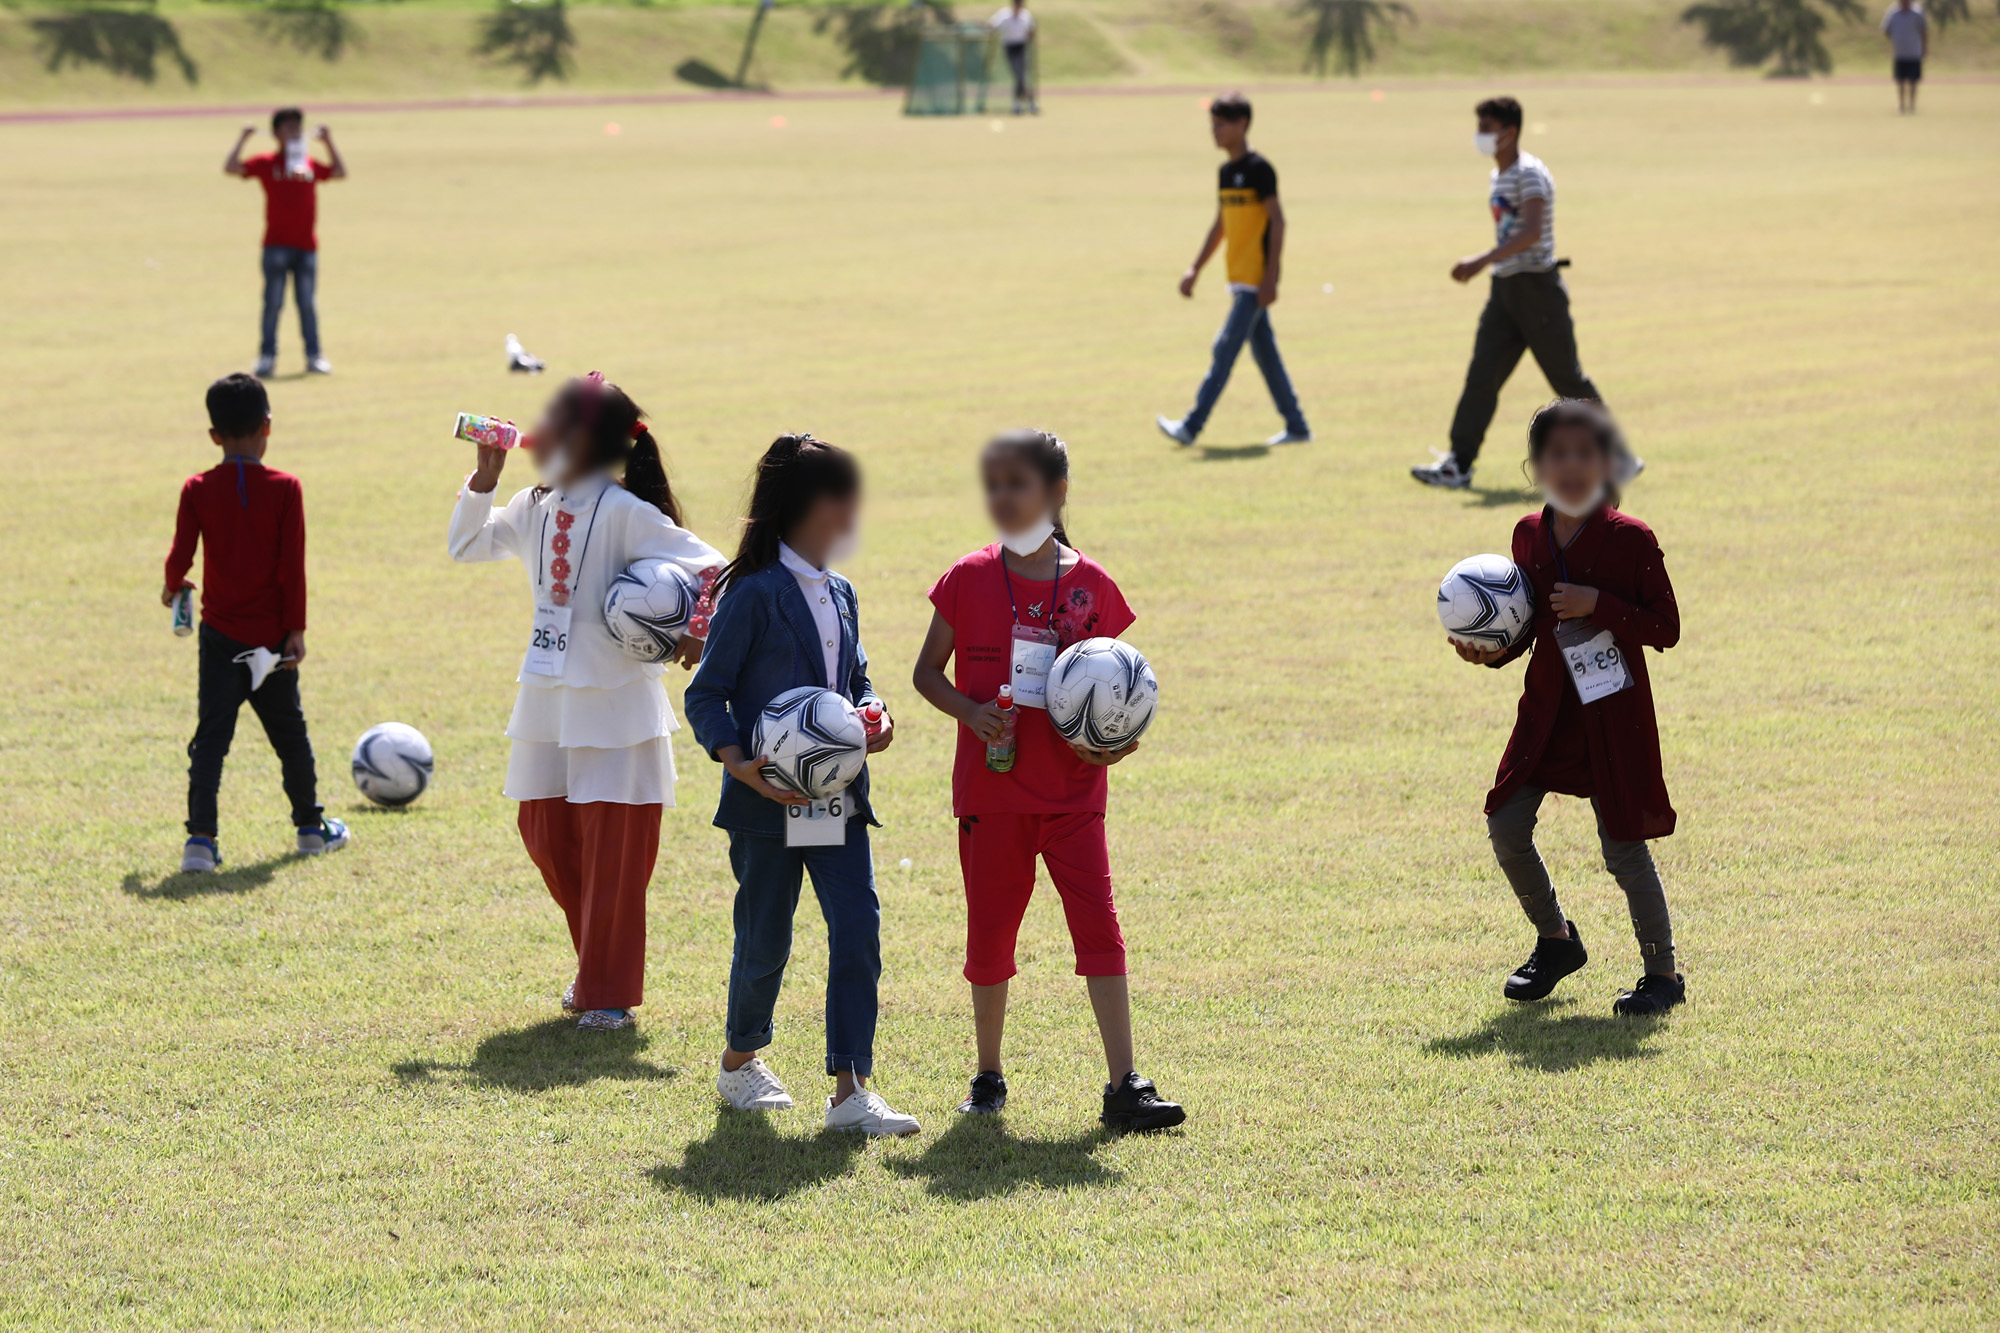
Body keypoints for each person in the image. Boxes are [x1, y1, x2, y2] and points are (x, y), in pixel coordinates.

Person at [912, 429, 1187, 1132]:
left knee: (1100, 928)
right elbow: (924, 673)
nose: (1003, 498)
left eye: (1019, 485)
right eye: (995, 486)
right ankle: (987, 1073)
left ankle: (1125, 1081)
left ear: (1056, 493)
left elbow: (1121, 693)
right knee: (990, 937)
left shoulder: (1093, 585)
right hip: (992, 796)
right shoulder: (967, 577)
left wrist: (1116, 748)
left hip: (1071, 799)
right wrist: (971, 712)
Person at [447, 372, 724, 1032]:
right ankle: (593, 965)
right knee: (544, 831)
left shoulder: (627, 510)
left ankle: (607, 992)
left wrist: (696, 629)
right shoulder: (531, 503)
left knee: (614, 850)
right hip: (545, 695)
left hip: (617, 702)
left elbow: (715, 566)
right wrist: (483, 478)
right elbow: (466, 544)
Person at [683, 434, 919, 1137]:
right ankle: (739, 1061)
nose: (849, 514)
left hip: (835, 798)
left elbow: (858, 683)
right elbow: (707, 693)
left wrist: (875, 716)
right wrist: (737, 759)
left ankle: (851, 1088)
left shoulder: (842, 592)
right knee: (766, 937)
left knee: (858, 928)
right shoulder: (753, 594)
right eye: (837, 499)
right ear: (799, 507)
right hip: (766, 800)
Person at [1451, 400, 1684, 1017]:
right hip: (1549, 713)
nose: (1572, 465)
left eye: (1586, 453)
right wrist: (1489, 654)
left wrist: (1597, 602)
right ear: (1533, 467)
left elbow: (1667, 627)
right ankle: (1556, 941)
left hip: (1614, 717)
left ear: (1607, 463)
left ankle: (1662, 973)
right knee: (1505, 826)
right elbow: (1526, 629)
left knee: (1624, 849)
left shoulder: (1631, 539)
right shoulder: (1527, 535)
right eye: (1557, 454)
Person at [163, 373, 347, 874]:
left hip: (221, 638)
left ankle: (199, 842)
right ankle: (311, 829)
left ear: (214, 435)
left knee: (211, 739)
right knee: (291, 736)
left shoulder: (196, 489)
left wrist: (172, 584)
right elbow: (292, 566)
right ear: (268, 426)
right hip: (271, 643)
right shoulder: (286, 489)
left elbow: (180, 557)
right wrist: (296, 629)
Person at [1412, 98, 1639, 492]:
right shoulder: (1499, 175)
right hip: (1505, 291)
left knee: (1567, 378)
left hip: (1536, 289)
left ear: (1510, 131)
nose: (1481, 134)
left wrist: (1483, 258)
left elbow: (1531, 231)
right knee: (1481, 376)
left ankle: (1617, 456)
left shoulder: (1529, 173)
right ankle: (1458, 464)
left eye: (1488, 126)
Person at [1156, 93, 1312, 451]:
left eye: (1221, 124)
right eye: (1212, 124)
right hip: (1237, 276)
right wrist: (1195, 268)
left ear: (1242, 124)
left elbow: (1278, 222)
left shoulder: (1260, 169)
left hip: (1255, 280)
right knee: (1265, 354)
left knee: (1224, 348)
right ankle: (1298, 426)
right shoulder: (1225, 172)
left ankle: (1191, 427)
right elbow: (1221, 225)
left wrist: (1271, 277)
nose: (1214, 131)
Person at [225, 108, 347, 379]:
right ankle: (267, 357)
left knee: (307, 304)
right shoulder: (268, 163)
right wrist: (243, 138)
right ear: (276, 133)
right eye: (288, 128)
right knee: (272, 303)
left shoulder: (308, 164)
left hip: (306, 246)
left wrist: (327, 141)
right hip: (275, 246)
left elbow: (339, 172)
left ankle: (314, 356)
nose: (294, 133)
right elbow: (232, 168)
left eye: (297, 128)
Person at [988, 0, 1037, 115]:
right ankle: (1028, 102)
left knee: (1022, 75)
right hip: (1010, 47)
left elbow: (1031, 30)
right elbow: (993, 25)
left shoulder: (1026, 15)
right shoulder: (1004, 15)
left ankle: (1020, 103)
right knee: (1019, 75)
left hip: (1022, 47)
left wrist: (1030, 37)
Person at [1883, 0, 1929, 114]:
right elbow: (1886, 29)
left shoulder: (1917, 13)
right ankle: (1901, 105)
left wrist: (1924, 48)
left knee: (1913, 80)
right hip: (1899, 53)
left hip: (1914, 52)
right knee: (1900, 80)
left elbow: (1924, 30)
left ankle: (1912, 105)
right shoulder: (1893, 13)